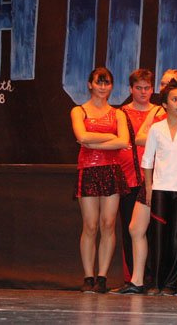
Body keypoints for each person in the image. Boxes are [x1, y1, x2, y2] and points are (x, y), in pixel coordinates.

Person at [112, 73, 177, 296]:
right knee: (138, 229)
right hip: (155, 182)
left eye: (168, 83)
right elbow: (142, 143)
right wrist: (149, 184)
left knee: (164, 233)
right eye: (163, 83)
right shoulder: (157, 118)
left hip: (174, 184)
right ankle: (141, 279)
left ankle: (157, 281)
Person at [70, 67, 129, 293]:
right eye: (99, 82)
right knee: (90, 225)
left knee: (108, 224)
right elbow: (81, 136)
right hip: (88, 170)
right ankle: (88, 276)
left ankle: (102, 277)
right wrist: (110, 137)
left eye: (107, 83)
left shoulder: (118, 114)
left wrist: (93, 142)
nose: (103, 87)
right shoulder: (79, 111)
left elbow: (123, 142)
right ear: (90, 84)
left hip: (112, 170)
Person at [114, 69, 158, 286]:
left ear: (153, 89)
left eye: (147, 88)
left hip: (155, 179)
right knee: (129, 230)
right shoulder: (121, 113)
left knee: (154, 230)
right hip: (128, 178)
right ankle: (132, 278)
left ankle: (154, 277)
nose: (143, 92)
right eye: (138, 88)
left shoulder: (160, 111)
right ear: (130, 89)